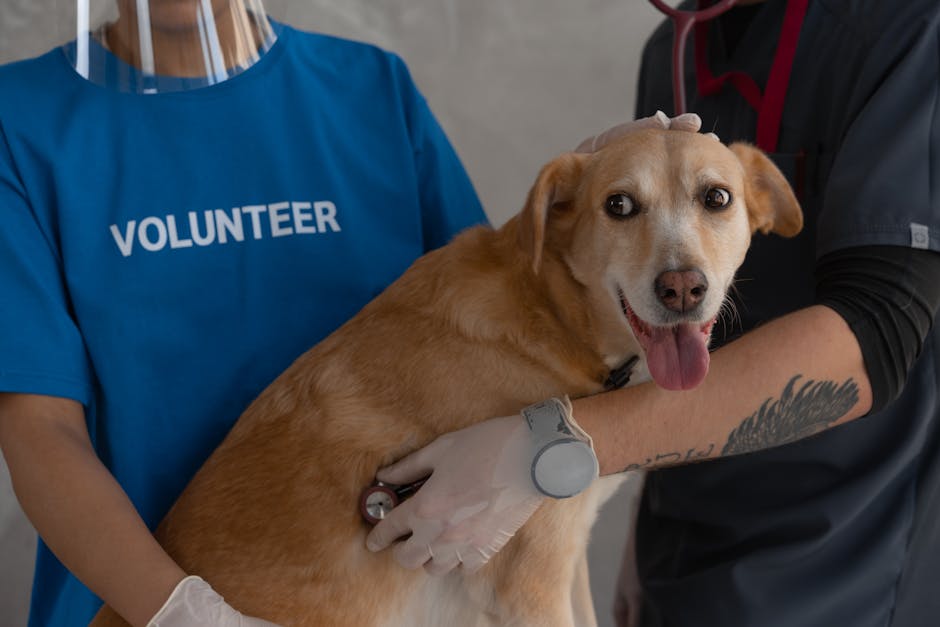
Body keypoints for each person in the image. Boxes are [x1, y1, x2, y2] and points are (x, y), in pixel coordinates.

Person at [364, 1, 940, 626]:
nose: (680, 278)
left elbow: (879, 332)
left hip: (842, 557)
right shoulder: (673, 44)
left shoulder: (908, 28)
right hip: (679, 545)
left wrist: (545, 452)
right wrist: (636, 528)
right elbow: (653, 350)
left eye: (717, 198)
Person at [0, 1, 490, 625]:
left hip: (386, 599)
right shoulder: (18, 121)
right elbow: (38, 431)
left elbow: (496, 335)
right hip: (131, 608)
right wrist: (187, 614)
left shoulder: (372, 91)